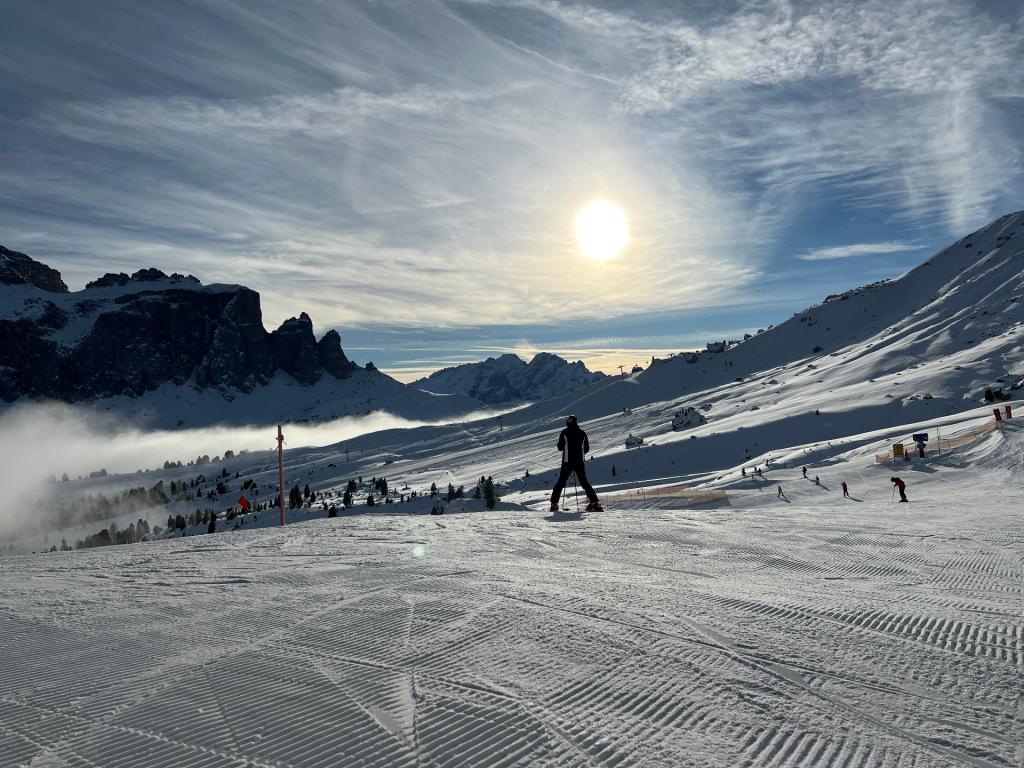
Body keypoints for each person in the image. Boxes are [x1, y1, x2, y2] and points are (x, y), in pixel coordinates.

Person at [550, 415, 602, 512]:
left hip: (567, 462)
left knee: (561, 482)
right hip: (579, 462)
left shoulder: (564, 432)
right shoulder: (582, 433)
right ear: (576, 422)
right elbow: (586, 449)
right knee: (584, 483)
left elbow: (560, 447)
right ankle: (594, 503)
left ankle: (554, 504)